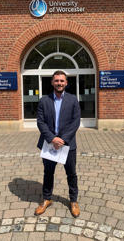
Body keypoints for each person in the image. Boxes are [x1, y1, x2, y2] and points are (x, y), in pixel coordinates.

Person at [35, 70, 81, 217]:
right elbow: (40, 122)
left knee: (71, 174)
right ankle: (47, 199)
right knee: (48, 173)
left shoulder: (73, 100)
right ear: (52, 82)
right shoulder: (44, 100)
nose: (59, 83)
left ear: (66, 83)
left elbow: (76, 122)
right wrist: (52, 138)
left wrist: (63, 139)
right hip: (49, 144)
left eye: (62, 81)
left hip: (68, 145)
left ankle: (73, 201)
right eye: (57, 81)